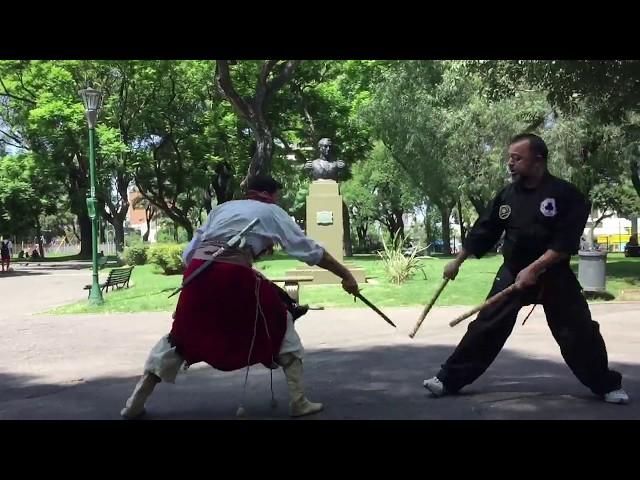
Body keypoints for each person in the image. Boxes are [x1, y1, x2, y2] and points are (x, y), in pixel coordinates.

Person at [120, 175, 360, 419]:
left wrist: (199, 283)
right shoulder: (272, 212)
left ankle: (133, 404)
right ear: (272, 194)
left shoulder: (222, 209)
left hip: (197, 272)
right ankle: (299, 402)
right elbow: (309, 250)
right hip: (231, 274)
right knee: (281, 317)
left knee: (180, 335)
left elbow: (189, 253)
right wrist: (345, 275)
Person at [423, 133, 629, 404]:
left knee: (578, 330)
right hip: (512, 271)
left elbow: (565, 241)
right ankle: (447, 379)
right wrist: (458, 260)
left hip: (553, 273)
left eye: (517, 158)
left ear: (538, 161)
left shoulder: (565, 195)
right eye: (510, 158)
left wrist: (536, 268)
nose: (510, 163)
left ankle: (606, 385)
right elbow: (485, 229)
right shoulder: (508, 196)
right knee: (486, 326)